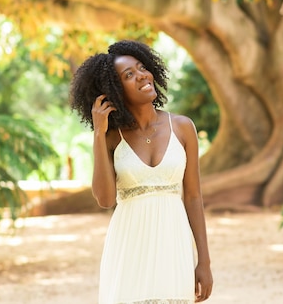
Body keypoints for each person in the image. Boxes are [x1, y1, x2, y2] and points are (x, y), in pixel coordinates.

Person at [70, 40, 213, 303]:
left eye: (141, 68)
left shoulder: (182, 128)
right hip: (129, 248)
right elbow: (105, 200)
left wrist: (204, 261)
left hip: (173, 244)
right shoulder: (112, 138)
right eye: (129, 75)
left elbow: (193, 197)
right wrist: (98, 134)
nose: (142, 76)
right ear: (114, 90)